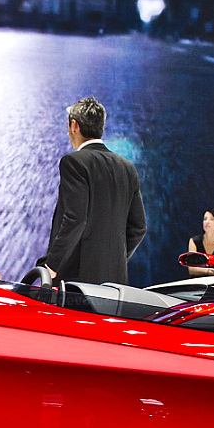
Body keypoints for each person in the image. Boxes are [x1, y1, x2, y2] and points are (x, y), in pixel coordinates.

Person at [38, 97, 146, 286]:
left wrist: (52, 265)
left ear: (74, 125)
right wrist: (115, 260)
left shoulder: (74, 162)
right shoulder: (128, 168)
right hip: (116, 282)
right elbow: (138, 227)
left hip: (76, 282)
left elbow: (76, 219)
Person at [185, 209, 214, 276]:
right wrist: (208, 271)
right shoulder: (194, 242)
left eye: (212, 219)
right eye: (205, 219)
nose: (207, 222)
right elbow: (191, 269)